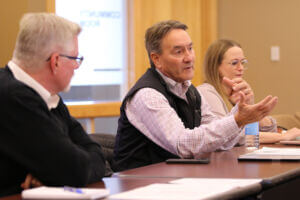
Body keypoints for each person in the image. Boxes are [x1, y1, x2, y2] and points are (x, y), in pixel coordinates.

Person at [113, 20, 278, 172]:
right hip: (141, 186)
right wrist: (238, 119)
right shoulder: (147, 95)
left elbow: (221, 142)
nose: (189, 57)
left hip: (177, 179)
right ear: (157, 59)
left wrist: (240, 112)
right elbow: (183, 144)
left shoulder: (189, 90)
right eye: (179, 51)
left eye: (190, 48)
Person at [0, 13, 106, 197]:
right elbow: (74, 170)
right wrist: (58, 173)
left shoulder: (49, 96)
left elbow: (96, 157)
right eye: (75, 58)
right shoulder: (13, 97)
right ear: (56, 61)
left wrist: (52, 174)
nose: (76, 66)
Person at [197, 39, 300, 143]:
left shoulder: (237, 93)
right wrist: (282, 137)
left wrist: (251, 105)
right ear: (216, 67)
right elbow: (228, 136)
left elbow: (268, 130)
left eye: (243, 62)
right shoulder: (207, 92)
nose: (241, 68)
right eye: (234, 63)